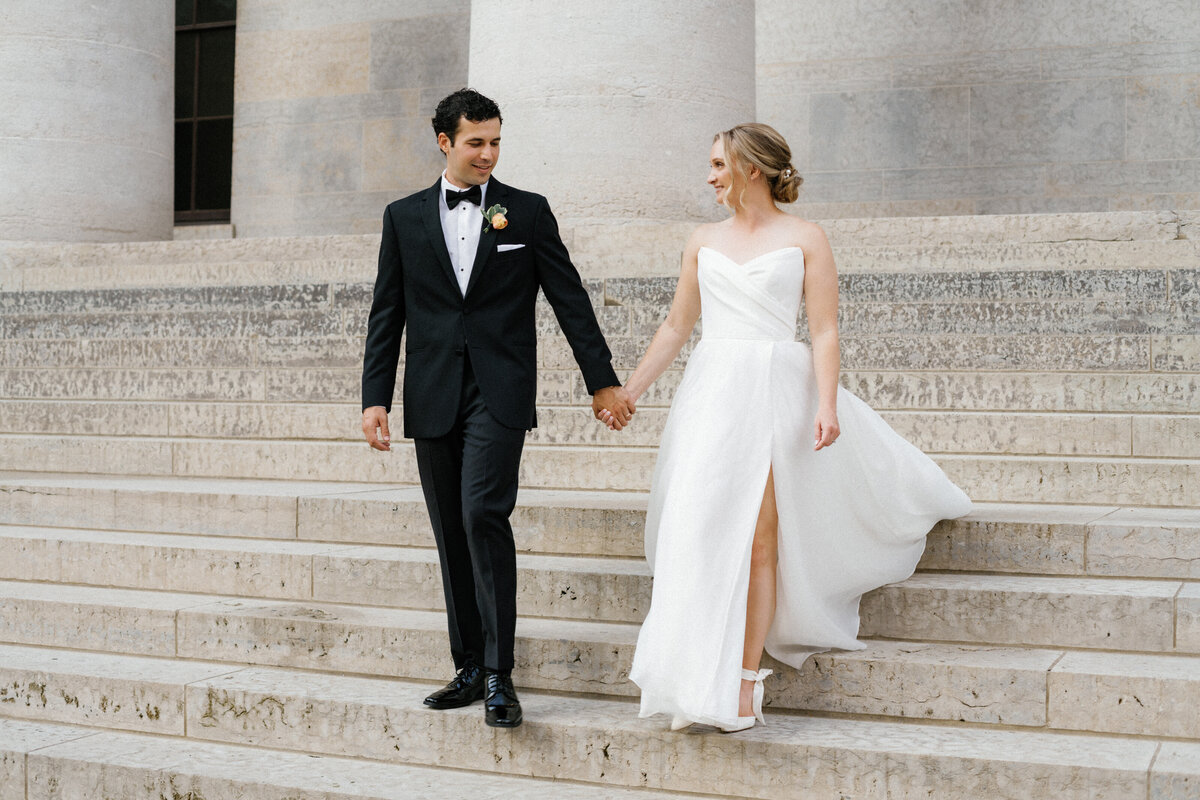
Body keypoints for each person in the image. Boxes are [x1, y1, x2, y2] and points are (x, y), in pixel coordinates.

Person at [608, 123, 973, 732]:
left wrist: (826, 405)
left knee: (760, 538)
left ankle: (746, 682)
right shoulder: (702, 239)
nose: (710, 176)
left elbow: (824, 329)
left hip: (778, 389)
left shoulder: (807, 237)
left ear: (753, 168)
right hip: (714, 395)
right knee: (694, 529)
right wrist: (629, 392)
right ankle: (689, 671)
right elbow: (677, 325)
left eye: (719, 164)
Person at [361, 88, 635, 729]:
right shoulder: (402, 217)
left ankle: (499, 675)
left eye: (496, 142)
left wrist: (602, 381)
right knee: (450, 527)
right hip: (431, 394)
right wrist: (375, 396)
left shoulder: (528, 213)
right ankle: (467, 665)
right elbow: (387, 312)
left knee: (483, 511)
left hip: (500, 391)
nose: (487, 154)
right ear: (445, 143)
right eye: (475, 142)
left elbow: (570, 300)